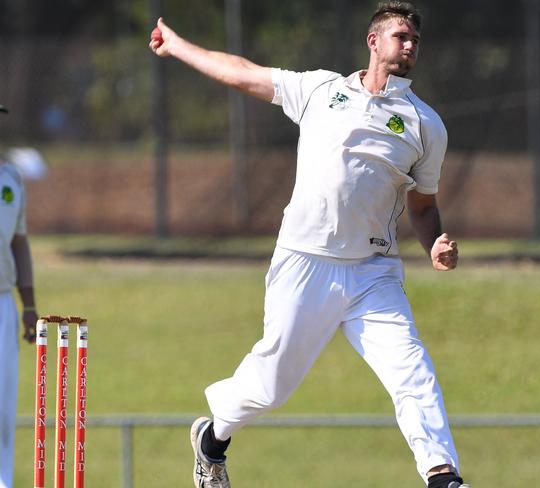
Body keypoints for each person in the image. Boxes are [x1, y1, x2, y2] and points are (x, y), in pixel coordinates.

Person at [150, 3, 469, 487]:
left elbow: (423, 207)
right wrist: (178, 47)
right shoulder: (320, 89)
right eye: (400, 36)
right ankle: (212, 440)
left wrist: (434, 247)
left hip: (372, 272)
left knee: (412, 370)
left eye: (415, 41)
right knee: (270, 386)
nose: (409, 46)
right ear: (373, 41)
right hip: (305, 263)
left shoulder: (426, 124)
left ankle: (442, 476)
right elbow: (243, 74)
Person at [0, 103, 38, 488]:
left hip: (2, 305)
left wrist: (29, 306)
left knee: (3, 409)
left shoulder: (9, 181)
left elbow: (19, 244)